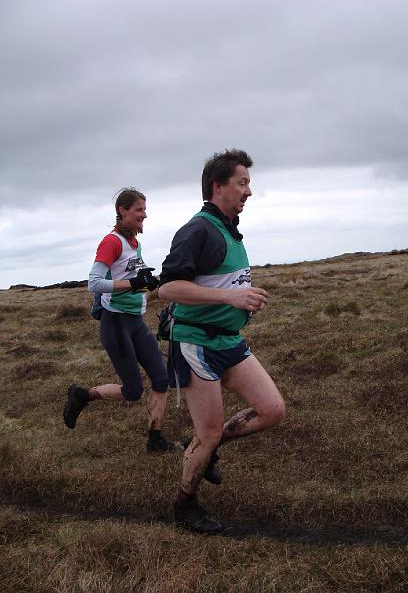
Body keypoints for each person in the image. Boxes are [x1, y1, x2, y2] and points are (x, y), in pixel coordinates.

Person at [158, 149, 286, 533]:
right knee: (209, 431)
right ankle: (185, 504)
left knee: (272, 409)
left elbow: (221, 280)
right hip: (196, 344)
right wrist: (231, 297)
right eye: (242, 183)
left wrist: (243, 300)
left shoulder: (230, 229)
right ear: (218, 186)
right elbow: (168, 288)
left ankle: (207, 449)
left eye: (249, 183)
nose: (249, 192)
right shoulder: (197, 230)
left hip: (229, 340)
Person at [63, 187, 173, 452]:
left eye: (145, 210)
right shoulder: (111, 241)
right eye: (139, 210)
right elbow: (94, 283)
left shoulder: (135, 242)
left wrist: (148, 281)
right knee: (133, 390)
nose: (144, 215)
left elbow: (134, 278)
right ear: (122, 211)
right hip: (115, 323)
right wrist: (132, 282)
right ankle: (82, 395)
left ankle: (155, 440)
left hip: (136, 322)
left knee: (161, 379)